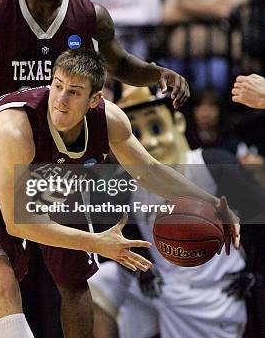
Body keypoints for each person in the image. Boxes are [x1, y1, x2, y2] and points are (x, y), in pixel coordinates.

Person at [0, 48, 239, 338]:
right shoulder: (15, 128)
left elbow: (149, 171)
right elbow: (18, 223)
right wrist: (96, 243)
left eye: (74, 92)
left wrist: (212, 204)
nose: (61, 99)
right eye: (57, 86)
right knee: (1, 280)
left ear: (95, 99)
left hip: (3, 191)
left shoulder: (110, 120)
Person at [0, 0, 189, 337]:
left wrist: (157, 73)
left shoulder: (90, 14)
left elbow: (118, 62)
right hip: (0, 160)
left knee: (73, 280)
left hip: (59, 165)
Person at [89, 85, 260, 338]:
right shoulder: (126, 184)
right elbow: (123, 237)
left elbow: (257, 216)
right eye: (136, 133)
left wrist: (256, 271)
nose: (149, 141)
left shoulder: (214, 163)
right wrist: (141, 271)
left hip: (221, 288)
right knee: (99, 280)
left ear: (178, 122)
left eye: (156, 127)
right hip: (168, 288)